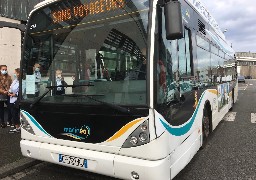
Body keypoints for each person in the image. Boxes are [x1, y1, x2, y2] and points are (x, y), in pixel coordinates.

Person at [8, 68, 20, 133]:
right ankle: (16, 126)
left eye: (15, 73)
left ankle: (18, 127)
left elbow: (22, 90)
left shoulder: (21, 81)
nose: (14, 74)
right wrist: (9, 92)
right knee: (13, 113)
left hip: (16, 100)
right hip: (12, 99)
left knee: (15, 113)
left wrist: (15, 94)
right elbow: (11, 87)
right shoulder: (15, 80)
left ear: (18, 73)